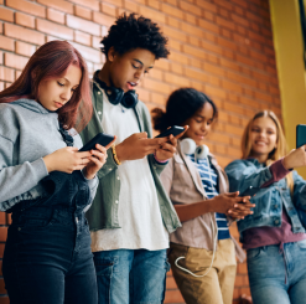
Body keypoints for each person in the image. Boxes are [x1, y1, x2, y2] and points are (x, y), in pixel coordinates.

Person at [79, 13, 185, 304]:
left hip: (152, 234)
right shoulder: (80, 100)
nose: (139, 77)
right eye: (135, 66)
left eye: (146, 71)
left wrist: (160, 159)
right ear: (112, 54)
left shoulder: (139, 108)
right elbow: (75, 172)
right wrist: (119, 154)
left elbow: (146, 170)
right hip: (111, 237)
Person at [0, 40, 113, 304]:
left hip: (79, 240)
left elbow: (81, 204)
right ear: (37, 72)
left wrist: (89, 175)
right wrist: (48, 164)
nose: (66, 95)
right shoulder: (8, 114)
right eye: (61, 83)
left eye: (72, 88)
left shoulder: (67, 128)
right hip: (36, 240)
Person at [152, 88, 253, 304]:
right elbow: (162, 212)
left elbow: (217, 207)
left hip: (225, 249)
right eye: (200, 120)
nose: (205, 128)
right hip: (192, 250)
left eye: (209, 122)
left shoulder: (210, 159)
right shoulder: (167, 155)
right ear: (182, 117)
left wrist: (233, 209)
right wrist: (212, 205)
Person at [225, 110, 306, 304]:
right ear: (248, 135)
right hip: (264, 262)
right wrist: (284, 164)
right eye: (256, 130)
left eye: (269, 132)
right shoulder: (237, 168)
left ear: (277, 140)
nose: (262, 135)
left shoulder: (290, 174)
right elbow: (245, 188)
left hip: (302, 253)